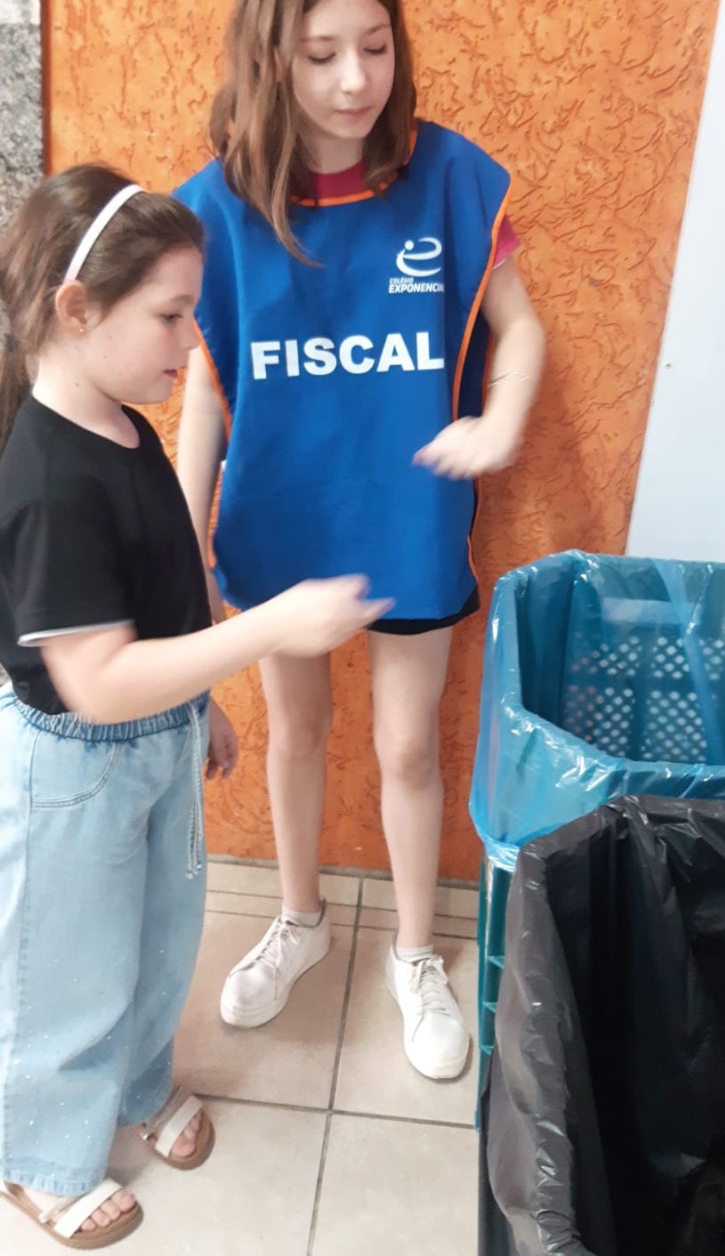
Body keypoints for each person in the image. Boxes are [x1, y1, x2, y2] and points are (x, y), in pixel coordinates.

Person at [176, 0, 545, 1083]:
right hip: (280, 520)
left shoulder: (447, 176)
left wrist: (498, 423)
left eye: (374, 46)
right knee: (293, 732)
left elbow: (519, 328)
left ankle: (414, 952)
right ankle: (300, 918)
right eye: (321, 52)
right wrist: (184, 543)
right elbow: (207, 389)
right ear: (270, 57)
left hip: (409, 518)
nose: (353, 80)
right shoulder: (218, 206)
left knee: (405, 746)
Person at [0, 165, 387, 1248]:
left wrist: (200, 709)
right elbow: (94, 679)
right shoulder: (49, 480)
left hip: (156, 744)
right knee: (67, 967)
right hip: (76, 770)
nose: (191, 338)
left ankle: (134, 1084)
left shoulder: (123, 428)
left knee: (158, 938)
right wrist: (270, 630)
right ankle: (38, 1153)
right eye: (171, 315)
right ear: (78, 310)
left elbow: (162, 610)